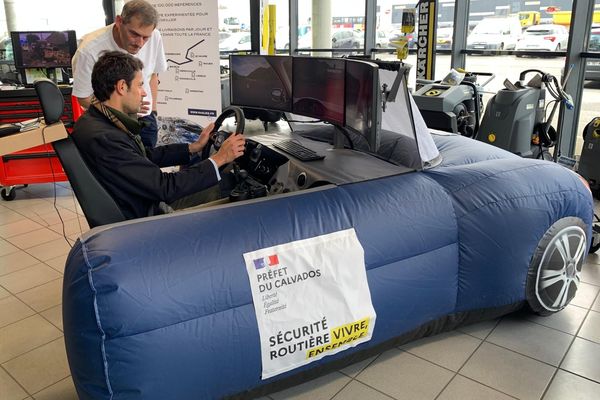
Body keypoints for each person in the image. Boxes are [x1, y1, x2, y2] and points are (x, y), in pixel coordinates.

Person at [71, 51, 246, 220]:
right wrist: (220, 158)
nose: (145, 92)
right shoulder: (106, 137)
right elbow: (165, 187)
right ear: (122, 87)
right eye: (140, 85)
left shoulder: (94, 121)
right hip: (146, 215)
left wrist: (193, 147)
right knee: (233, 184)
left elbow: (141, 157)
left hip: (140, 201)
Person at [72, 0, 167, 147]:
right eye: (134, 34)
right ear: (119, 21)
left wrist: (153, 111)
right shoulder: (88, 50)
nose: (140, 43)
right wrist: (122, 108)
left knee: (149, 166)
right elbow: (83, 97)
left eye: (145, 37)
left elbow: (153, 75)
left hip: (145, 119)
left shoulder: (155, 36)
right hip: (110, 124)